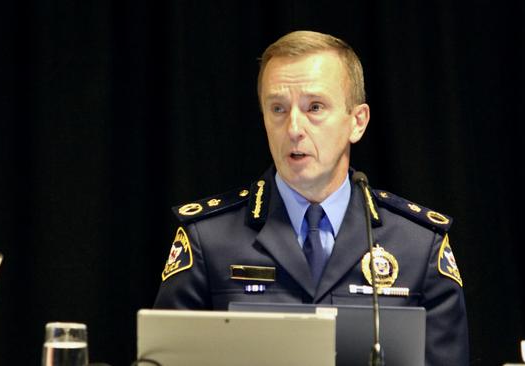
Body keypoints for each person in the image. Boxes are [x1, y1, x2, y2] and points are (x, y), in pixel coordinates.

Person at [154, 30, 469, 365]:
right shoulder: (208, 239)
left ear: (357, 122)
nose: (293, 128)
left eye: (314, 107)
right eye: (278, 108)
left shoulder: (419, 245)